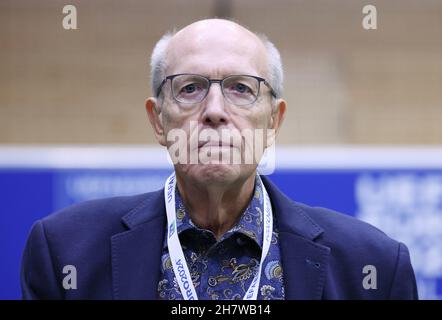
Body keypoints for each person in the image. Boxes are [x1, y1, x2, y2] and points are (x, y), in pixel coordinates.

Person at [21, 18, 418, 300]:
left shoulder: (373, 266)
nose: (214, 110)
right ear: (158, 120)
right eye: (190, 87)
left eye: (241, 88)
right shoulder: (64, 253)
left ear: (272, 122)